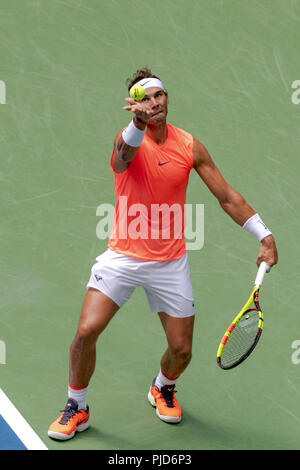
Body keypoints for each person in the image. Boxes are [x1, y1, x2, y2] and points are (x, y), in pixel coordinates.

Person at [48, 67, 278, 440]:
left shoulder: (189, 145)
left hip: (169, 263)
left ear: (166, 99)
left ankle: (162, 387)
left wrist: (263, 234)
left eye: (159, 96)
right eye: (146, 99)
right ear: (136, 107)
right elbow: (123, 157)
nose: (155, 103)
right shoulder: (127, 140)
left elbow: (226, 196)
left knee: (181, 350)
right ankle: (77, 406)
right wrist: (136, 126)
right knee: (85, 332)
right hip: (123, 257)